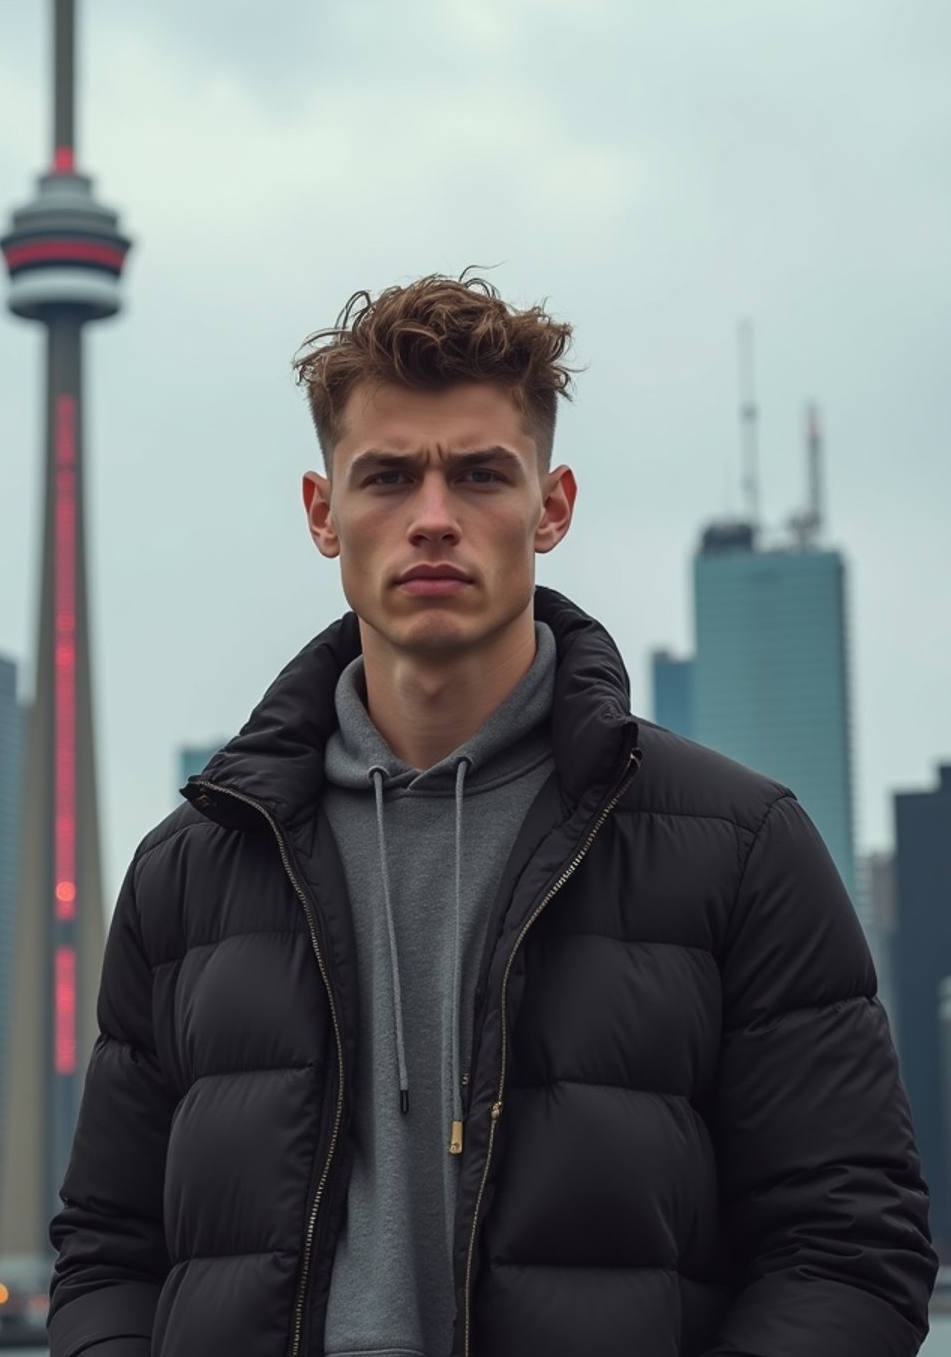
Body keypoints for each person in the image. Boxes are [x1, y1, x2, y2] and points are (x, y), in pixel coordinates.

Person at [48, 274, 937, 1357]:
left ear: (551, 506)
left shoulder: (738, 849)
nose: (432, 519)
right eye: (386, 477)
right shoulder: (188, 876)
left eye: (478, 476)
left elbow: (848, 1244)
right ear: (322, 514)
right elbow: (107, 1250)